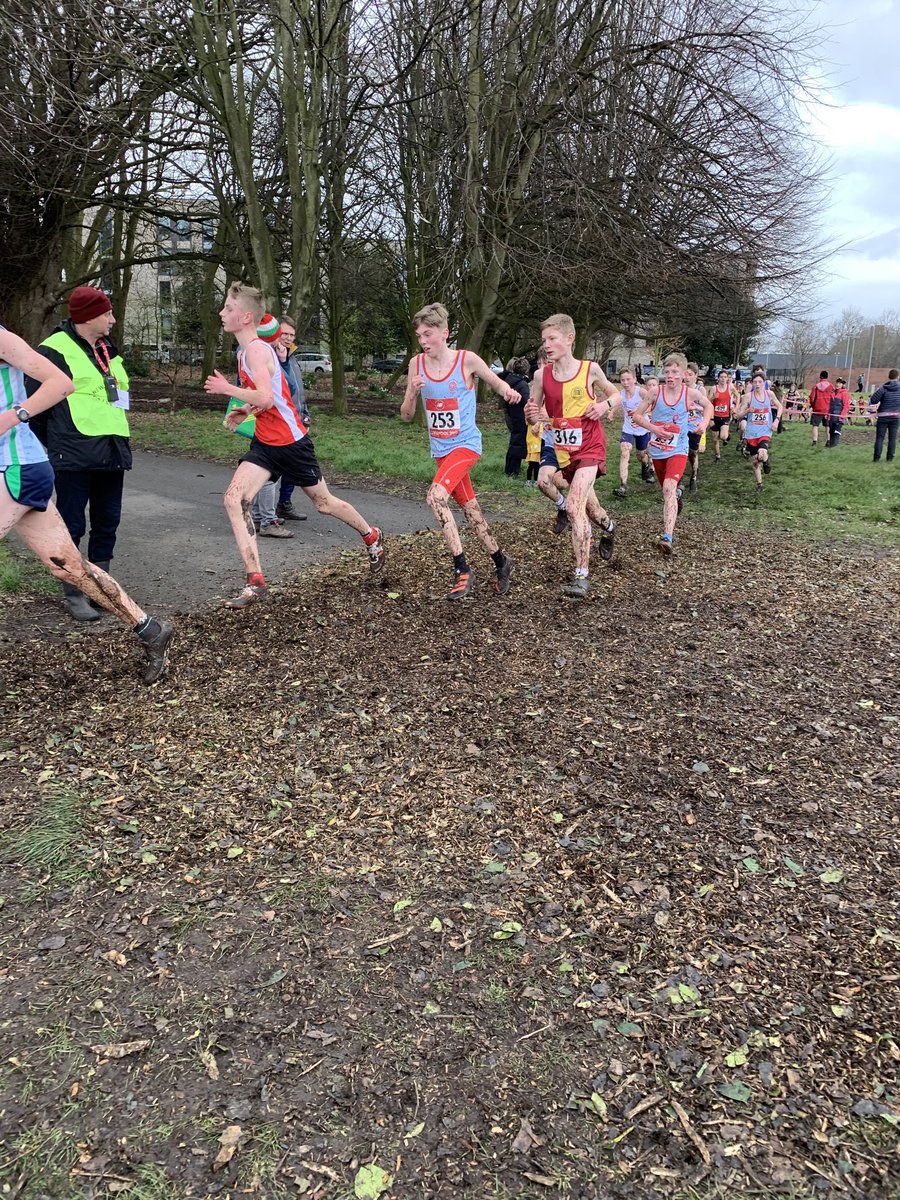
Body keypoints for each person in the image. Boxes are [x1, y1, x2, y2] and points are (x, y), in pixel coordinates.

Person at [1, 325, 173, 682]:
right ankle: (151, 630)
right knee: (70, 567)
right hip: (17, 469)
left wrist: (10, 417)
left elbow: (60, 383)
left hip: (17, 468)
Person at [204, 282, 385, 608]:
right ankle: (255, 581)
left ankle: (371, 535)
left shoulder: (257, 351)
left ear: (245, 317)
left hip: (292, 443)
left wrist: (228, 390)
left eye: (228, 308)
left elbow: (266, 397)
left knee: (324, 504)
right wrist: (246, 411)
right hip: (265, 444)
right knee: (234, 499)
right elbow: (267, 399)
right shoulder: (244, 353)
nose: (221, 312)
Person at [26, 286, 133, 621]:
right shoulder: (53, 349)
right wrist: (60, 441)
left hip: (112, 449)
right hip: (74, 453)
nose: (113, 320)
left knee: (107, 521)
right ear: (88, 317)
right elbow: (36, 406)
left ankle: (103, 587)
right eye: (107, 314)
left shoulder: (108, 349)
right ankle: (75, 591)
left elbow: (117, 397)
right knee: (71, 523)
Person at [400, 302, 516, 600]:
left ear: (444, 333)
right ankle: (501, 561)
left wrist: (510, 392)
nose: (423, 341)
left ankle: (462, 569)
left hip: (465, 446)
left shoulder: (466, 360)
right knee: (471, 510)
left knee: (435, 497)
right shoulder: (416, 364)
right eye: (419, 336)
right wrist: (412, 392)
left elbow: (497, 382)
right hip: (441, 451)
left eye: (428, 334)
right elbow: (406, 415)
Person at [524, 313, 618, 598]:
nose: (546, 345)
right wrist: (531, 415)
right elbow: (534, 418)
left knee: (575, 506)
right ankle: (609, 527)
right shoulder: (540, 376)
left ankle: (581, 577)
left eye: (552, 339)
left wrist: (603, 406)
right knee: (591, 510)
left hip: (590, 447)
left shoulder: (590, 369)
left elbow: (616, 395)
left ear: (569, 338)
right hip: (563, 453)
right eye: (544, 340)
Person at [633, 352, 712, 554]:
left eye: (675, 372)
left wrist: (704, 423)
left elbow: (708, 406)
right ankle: (677, 495)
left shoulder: (690, 394)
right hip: (658, 450)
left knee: (668, 487)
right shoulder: (655, 392)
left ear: (684, 374)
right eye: (667, 371)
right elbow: (637, 415)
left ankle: (667, 537)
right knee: (667, 490)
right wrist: (655, 429)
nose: (670, 376)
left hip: (678, 449)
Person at [273, 316, 310, 523]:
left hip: (297, 419)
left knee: (293, 465)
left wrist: (305, 414)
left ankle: (284, 503)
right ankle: (263, 511)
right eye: (284, 334)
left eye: (291, 335)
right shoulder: (270, 356)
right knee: (271, 467)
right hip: (277, 421)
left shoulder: (291, 355)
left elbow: (298, 391)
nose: (288, 338)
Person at [734, 369, 783, 491]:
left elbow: (780, 406)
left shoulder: (769, 394)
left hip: (765, 431)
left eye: (760, 382)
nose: (757, 384)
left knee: (762, 453)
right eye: (755, 382)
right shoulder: (748, 397)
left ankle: (766, 461)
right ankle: (759, 484)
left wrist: (776, 420)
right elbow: (737, 416)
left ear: (764, 383)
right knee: (755, 461)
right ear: (752, 383)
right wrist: (747, 411)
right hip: (751, 433)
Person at [612, 366, 653, 497]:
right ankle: (623, 486)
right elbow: (618, 403)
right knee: (624, 451)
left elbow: (652, 404)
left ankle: (645, 465)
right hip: (628, 428)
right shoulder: (621, 394)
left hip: (642, 428)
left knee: (641, 455)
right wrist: (612, 412)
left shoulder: (641, 392)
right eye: (622, 380)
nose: (625, 383)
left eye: (628, 379)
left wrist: (639, 412)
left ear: (634, 379)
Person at [497, 355, 531, 478]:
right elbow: (527, 401)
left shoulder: (508, 381)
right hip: (521, 417)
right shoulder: (522, 384)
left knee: (514, 443)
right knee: (518, 444)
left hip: (512, 415)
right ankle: (512, 471)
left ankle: (510, 470)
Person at [684, 362, 707, 494]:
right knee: (680, 451)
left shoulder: (700, 389)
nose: (687, 377)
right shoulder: (680, 388)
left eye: (690, 374)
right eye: (685, 374)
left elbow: (706, 408)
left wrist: (694, 407)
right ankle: (678, 479)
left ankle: (693, 476)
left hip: (695, 426)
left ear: (696, 375)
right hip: (682, 426)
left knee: (692, 452)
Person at [871, 368, 900, 462]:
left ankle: (876, 458)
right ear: (898, 377)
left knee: (880, 438)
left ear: (889, 377)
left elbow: (873, 400)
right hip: (895, 416)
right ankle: (890, 458)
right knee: (892, 438)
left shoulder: (884, 388)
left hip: (883, 416)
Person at [708, 369, 736, 460]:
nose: (723, 379)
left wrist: (735, 407)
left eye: (725, 377)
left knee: (723, 436)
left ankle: (726, 436)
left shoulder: (730, 388)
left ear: (727, 378)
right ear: (718, 378)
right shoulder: (714, 388)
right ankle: (718, 455)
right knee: (715, 439)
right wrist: (713, 397)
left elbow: (738, 395)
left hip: (725, 416)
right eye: (721, 377)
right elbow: (707, 402)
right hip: (715, 416)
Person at [808, 370, 834, 447]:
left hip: (817, 409)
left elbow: (812, 397)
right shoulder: (831, 386)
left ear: (820, 377)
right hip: (827, 409)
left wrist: (812, 405)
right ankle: (828, 440)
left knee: (815, 426)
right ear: (827, 377)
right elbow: (833, 397)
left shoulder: (815, 386)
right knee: (827, 426)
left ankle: (814, 442)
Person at [826, 378, 851, 448]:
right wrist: (827, 414)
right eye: (837, 383)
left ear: (842, 385)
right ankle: (831, 446)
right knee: (831, 431)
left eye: (840, 383)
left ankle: (834, 446)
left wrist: (841, 416)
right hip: (831, 416)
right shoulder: (833, 392)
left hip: (839, 416)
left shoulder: (844, 393)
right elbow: (829, 405)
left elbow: (846, 406)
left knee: (836, 432)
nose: (838, 384)